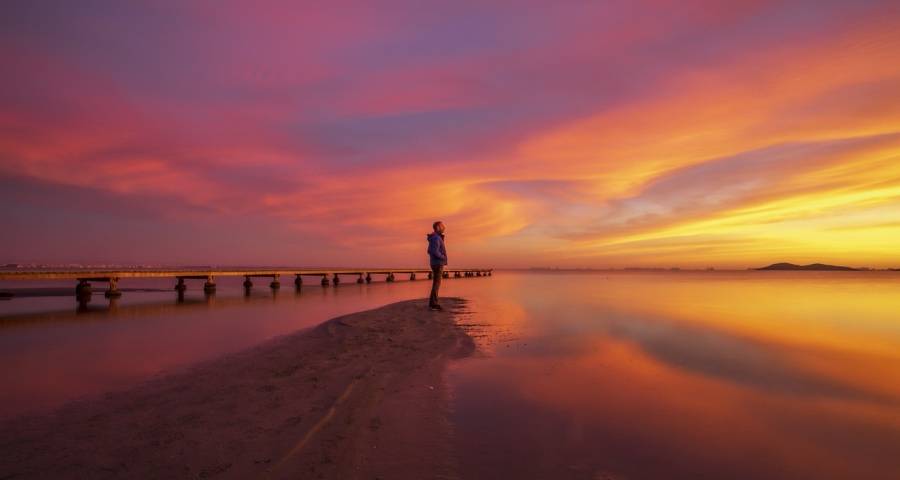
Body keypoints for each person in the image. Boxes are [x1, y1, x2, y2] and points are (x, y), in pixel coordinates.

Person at [426, 221, 447, 310]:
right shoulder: (435, 238)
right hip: (437, 263)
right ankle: (433, 304)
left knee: (436, 283)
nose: (444, 227)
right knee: (436, 284)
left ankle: (433, 303)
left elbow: (429, 250)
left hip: (436, 263)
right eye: (442, 226)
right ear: (438, 227)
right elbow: (433, 251)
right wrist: (442, 257)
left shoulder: (436, 237)